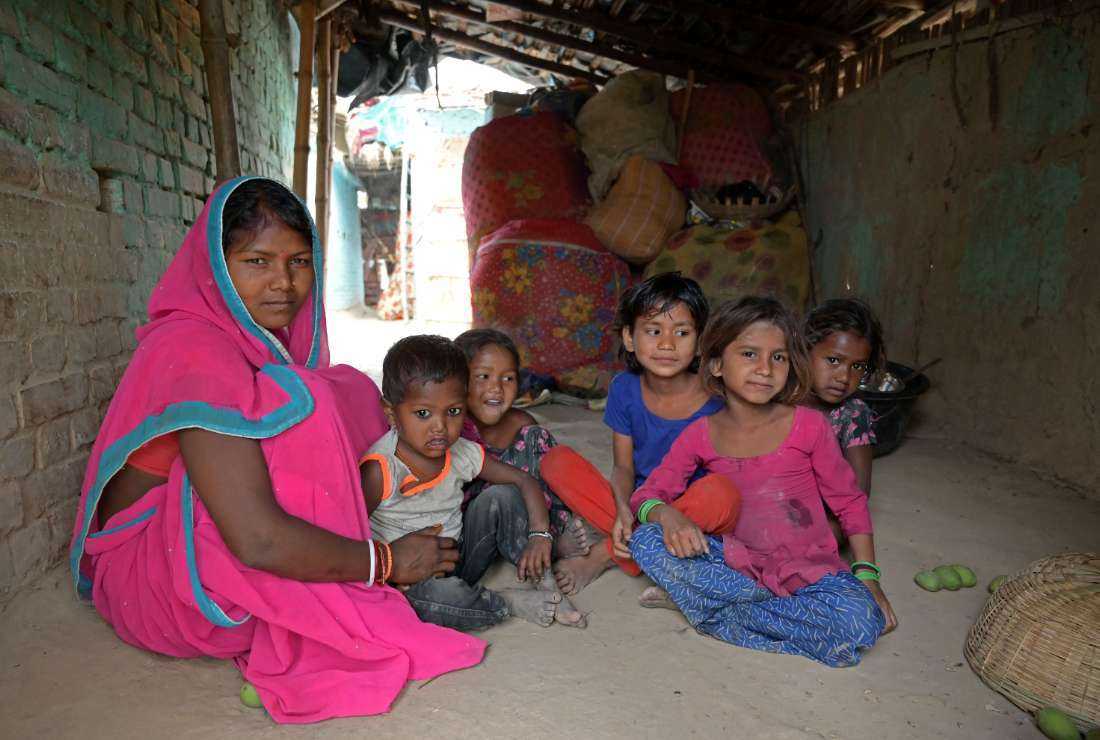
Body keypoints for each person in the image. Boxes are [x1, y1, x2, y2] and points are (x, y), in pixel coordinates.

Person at [69, 177, 483, 724]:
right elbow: (257, 540)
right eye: (257, 261)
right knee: (309, 405)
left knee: (349, 388)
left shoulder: (253, 336)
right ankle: (360, 558)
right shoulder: (195, 349)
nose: (284, 284)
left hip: (206, 541)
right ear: (216, 267)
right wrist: (384, 563)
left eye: (299, 261)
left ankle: (378, 532)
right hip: (160, 581)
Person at [628, 296, 899, 668]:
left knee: (859, 621)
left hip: (811, 573)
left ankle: (719, 616)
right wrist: (666, 515)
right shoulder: (700, 435)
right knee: (646, 540)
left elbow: (850, 502)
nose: (765, 369)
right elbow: (646, 495)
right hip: (737, 564)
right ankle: (750, 610)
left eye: (779, 357)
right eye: (750, 354)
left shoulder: (809, 426)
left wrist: (868, 576)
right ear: (717, 364)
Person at [361, 335, 585, 630]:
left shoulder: (460, 451)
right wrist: (390, 569)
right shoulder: (381, 469)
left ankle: (544, 582)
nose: (440, 427)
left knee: (502, 495)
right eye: (423, 414)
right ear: (391, 413)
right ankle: (505, 602)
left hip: (461, 555)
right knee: (437, 600)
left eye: (453, 411)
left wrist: (539, 536)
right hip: (412, 579)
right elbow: (347, 535)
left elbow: (522, 480)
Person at [540, 273, 727, 598]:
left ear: (699, 343)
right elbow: (624, 467)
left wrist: (667, 515)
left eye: (681, 333)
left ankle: (604, 555)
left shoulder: (716, 398)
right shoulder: (624, 389)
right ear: (629, 338)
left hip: (689, 508)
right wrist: (624, 508)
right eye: (654, 331)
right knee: (555, 461)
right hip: (642, 500)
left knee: (723, 494)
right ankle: (649, 546)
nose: (667, 344)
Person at [453, 328, 590, 560]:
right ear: (458, 381)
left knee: (538, 438)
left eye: (508, 378)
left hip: (531, 520)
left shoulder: (521, 424)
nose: (497, 387)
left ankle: (552, 537)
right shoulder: (451, 427)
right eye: (483, 376)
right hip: (475, 526)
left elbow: (547, 482)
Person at [802, 298, 885, 496]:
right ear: (804, 350)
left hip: (822, 511)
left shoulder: (851, 415)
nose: (844, 377)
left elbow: (859, 493)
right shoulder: (780, 397)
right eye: (833, 360)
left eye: (857, 366)